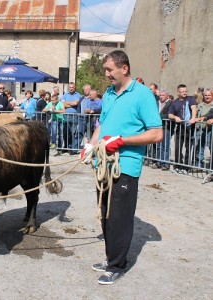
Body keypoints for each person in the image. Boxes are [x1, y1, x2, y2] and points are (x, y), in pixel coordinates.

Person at [80, 50, 162, 285]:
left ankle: (118, 265)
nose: (106, 74)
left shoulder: (142, 94)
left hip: (124, 166)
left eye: (109, 70)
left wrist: (123, 140)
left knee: (119, 217)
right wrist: (90, 145)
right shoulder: (108, 93)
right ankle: (110, 258)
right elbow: (102, 124)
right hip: (103, 163)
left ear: (123, 68)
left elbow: (156, 133)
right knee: (105, 214)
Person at [168, 84, 197, 173]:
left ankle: (186, 167)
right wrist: (175, 117)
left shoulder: (190, 99)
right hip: (179, 128)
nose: (185, 93)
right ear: (178, 92)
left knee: (188, 148)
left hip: (189, 128)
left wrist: (193, 118)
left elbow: (194, 108)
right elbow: (170, 115)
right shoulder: (175, 102)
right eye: (182, 92)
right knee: (178, 147)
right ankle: (178, 165)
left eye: (185, 91)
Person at [152, 89, 173, 170]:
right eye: (160, 95)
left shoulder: (170, 103)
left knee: (166, 146)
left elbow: (168, 115)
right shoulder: (157, 103)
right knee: (158, 145)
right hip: (157, 127)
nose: (161, 97)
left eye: (163, 95)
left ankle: (166, 163)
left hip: (166, 127)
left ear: (167, 96)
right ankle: (158, 162)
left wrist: (158, 117)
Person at [194, 88, 213, 168]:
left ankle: (210, 167)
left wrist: (205, 118)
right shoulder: (200, 105)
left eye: (209, 95)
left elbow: (210, 114)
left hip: (210, 129)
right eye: (206, 95)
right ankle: (198, 166)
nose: (207, 97)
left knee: (211, 148)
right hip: (201, 129)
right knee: (199, 148)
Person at [62, 82, 81, 154]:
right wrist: (72, 104)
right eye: (70, 87)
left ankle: (72, 148)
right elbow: (63, 104)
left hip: (74, 116)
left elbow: (76, 103)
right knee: (65, 132)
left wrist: (67, 103)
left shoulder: (78, 94)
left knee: (73, 132)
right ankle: (66, 146)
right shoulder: (65, 95)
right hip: (66, 116)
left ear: (74, 88)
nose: (71, 88)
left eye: (72, 87)